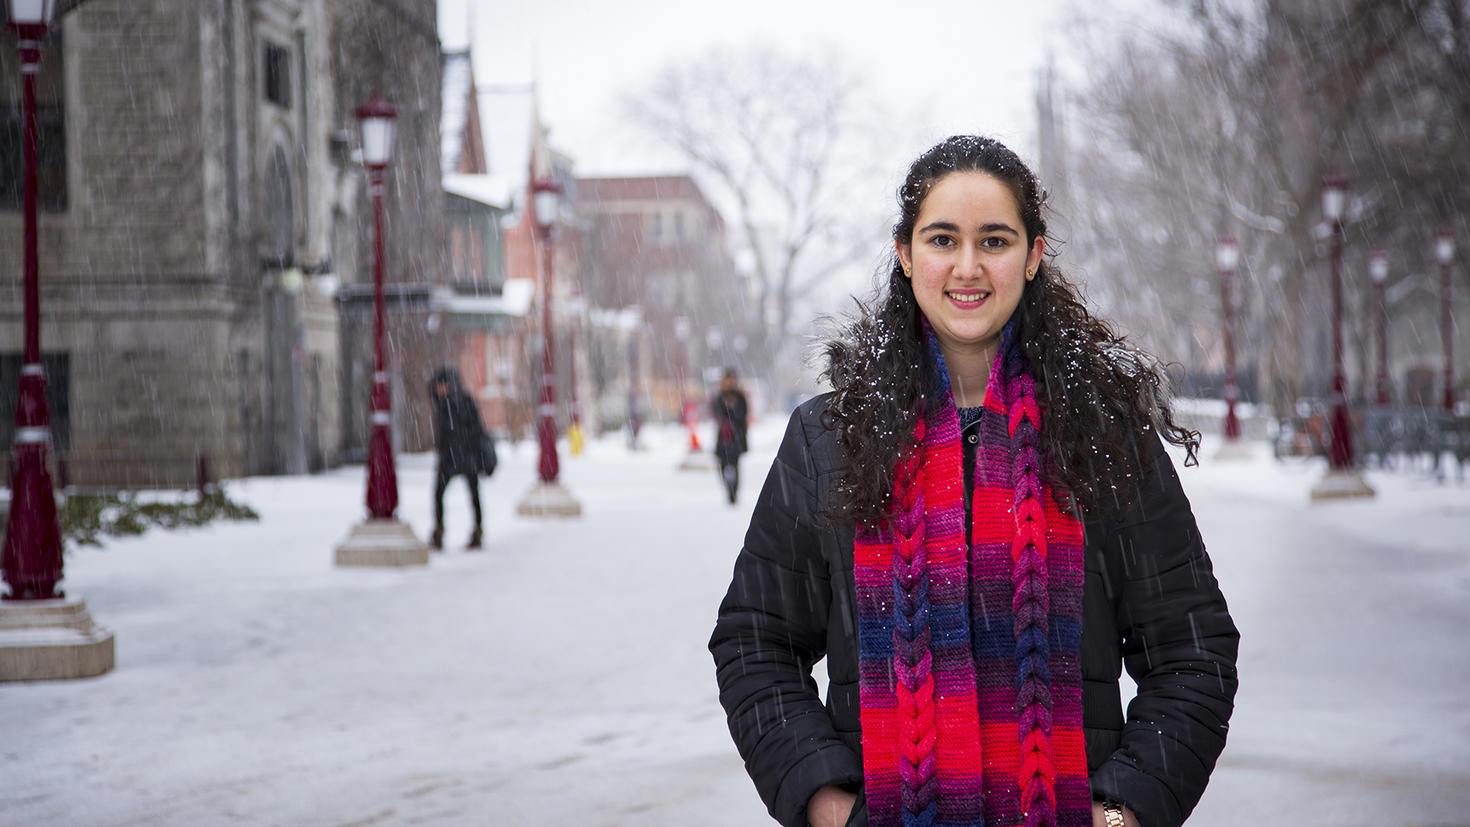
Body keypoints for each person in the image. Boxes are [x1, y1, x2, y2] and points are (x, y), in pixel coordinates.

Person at [710, 136, 1239, 827]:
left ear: (1033, 254)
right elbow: (755, 642)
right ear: (905, 255)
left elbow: (1193, 650)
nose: (968, 267)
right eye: (942, 239)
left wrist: (1122, 812)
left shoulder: (1103, 435)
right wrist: (828, 806)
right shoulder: (830, 438)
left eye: (994, 240)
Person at [428, 366, 487, 550]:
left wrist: (468, 450)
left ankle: (476, 531)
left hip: (463, 456)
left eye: (443, 385)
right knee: (441, 494)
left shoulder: (459, 402)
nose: (440, 389)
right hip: (452, 457)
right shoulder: (443, 403)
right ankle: (441, 530)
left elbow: (474, 429)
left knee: (472, 495)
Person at [710, 369, 750, 504]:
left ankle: (734, 493)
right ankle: (728, 489)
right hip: (723, 437)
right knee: (722, 464)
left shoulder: (739, 396)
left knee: (734, 464)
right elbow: (716, 412)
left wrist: (733, 408)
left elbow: (742, 413)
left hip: (736, 437)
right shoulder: (720, 396)